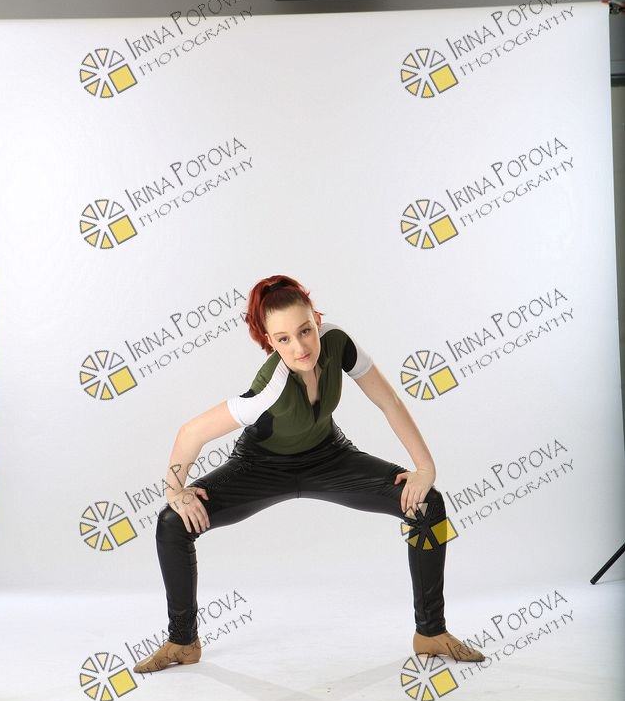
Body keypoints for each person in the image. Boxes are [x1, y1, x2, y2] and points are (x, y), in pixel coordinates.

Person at [134, 274, 484, 673]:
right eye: (283, 339)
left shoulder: (338, 343)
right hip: (260, 467)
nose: (299, 347)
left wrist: (425, 468)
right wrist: (175, 491)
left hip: (329, 457)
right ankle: (182, 642)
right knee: (172, 523)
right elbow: (191, 433)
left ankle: (431, 632)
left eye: (305, 331)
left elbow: (387, 401)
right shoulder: (269, 388)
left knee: (427, 505)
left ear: (316, 320)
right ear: (269, 341)